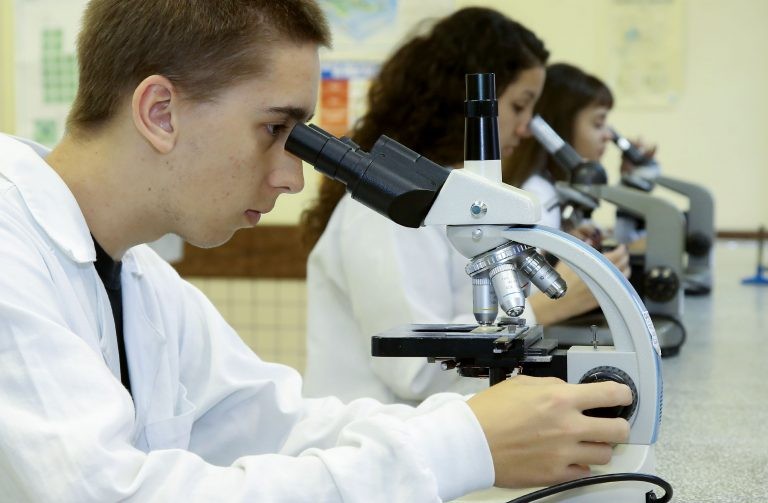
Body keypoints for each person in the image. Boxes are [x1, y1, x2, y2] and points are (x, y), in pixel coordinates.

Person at [0, 1, 632, 501]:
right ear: (161, 112)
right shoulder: (10, 253)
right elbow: (108, 493)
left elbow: (277, 425)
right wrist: (460, 445)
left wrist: (500, 422)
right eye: (275, 129)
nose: (292, 178)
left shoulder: (138, 274)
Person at [301, 8, 629, 404]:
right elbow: (415, 371)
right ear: (470, 107)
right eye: (519, 106)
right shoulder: (392, 210)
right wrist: (544, 308)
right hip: (375, 431)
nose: (526, 129)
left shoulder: (454, 196)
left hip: (433, 426)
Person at [503, 62, 633, 325]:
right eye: (598, 123)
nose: (608, 135)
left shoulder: (549, 189)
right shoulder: (537, 196)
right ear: (559, 129)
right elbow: (528, 301)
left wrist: (566, 245)